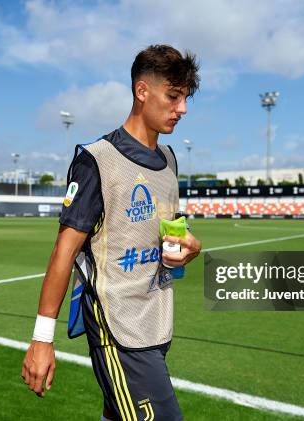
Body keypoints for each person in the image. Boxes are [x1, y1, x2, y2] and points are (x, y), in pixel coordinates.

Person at [21, 44, 202, 421]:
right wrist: (41, 340)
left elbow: (172, 232)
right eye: (173, 97)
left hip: (157, 322)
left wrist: (189, 248)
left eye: (185, 98)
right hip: (117, 329)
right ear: (141, 91)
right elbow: (63, 253)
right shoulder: (96, 160)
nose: (182, 109)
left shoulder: (169, 160)